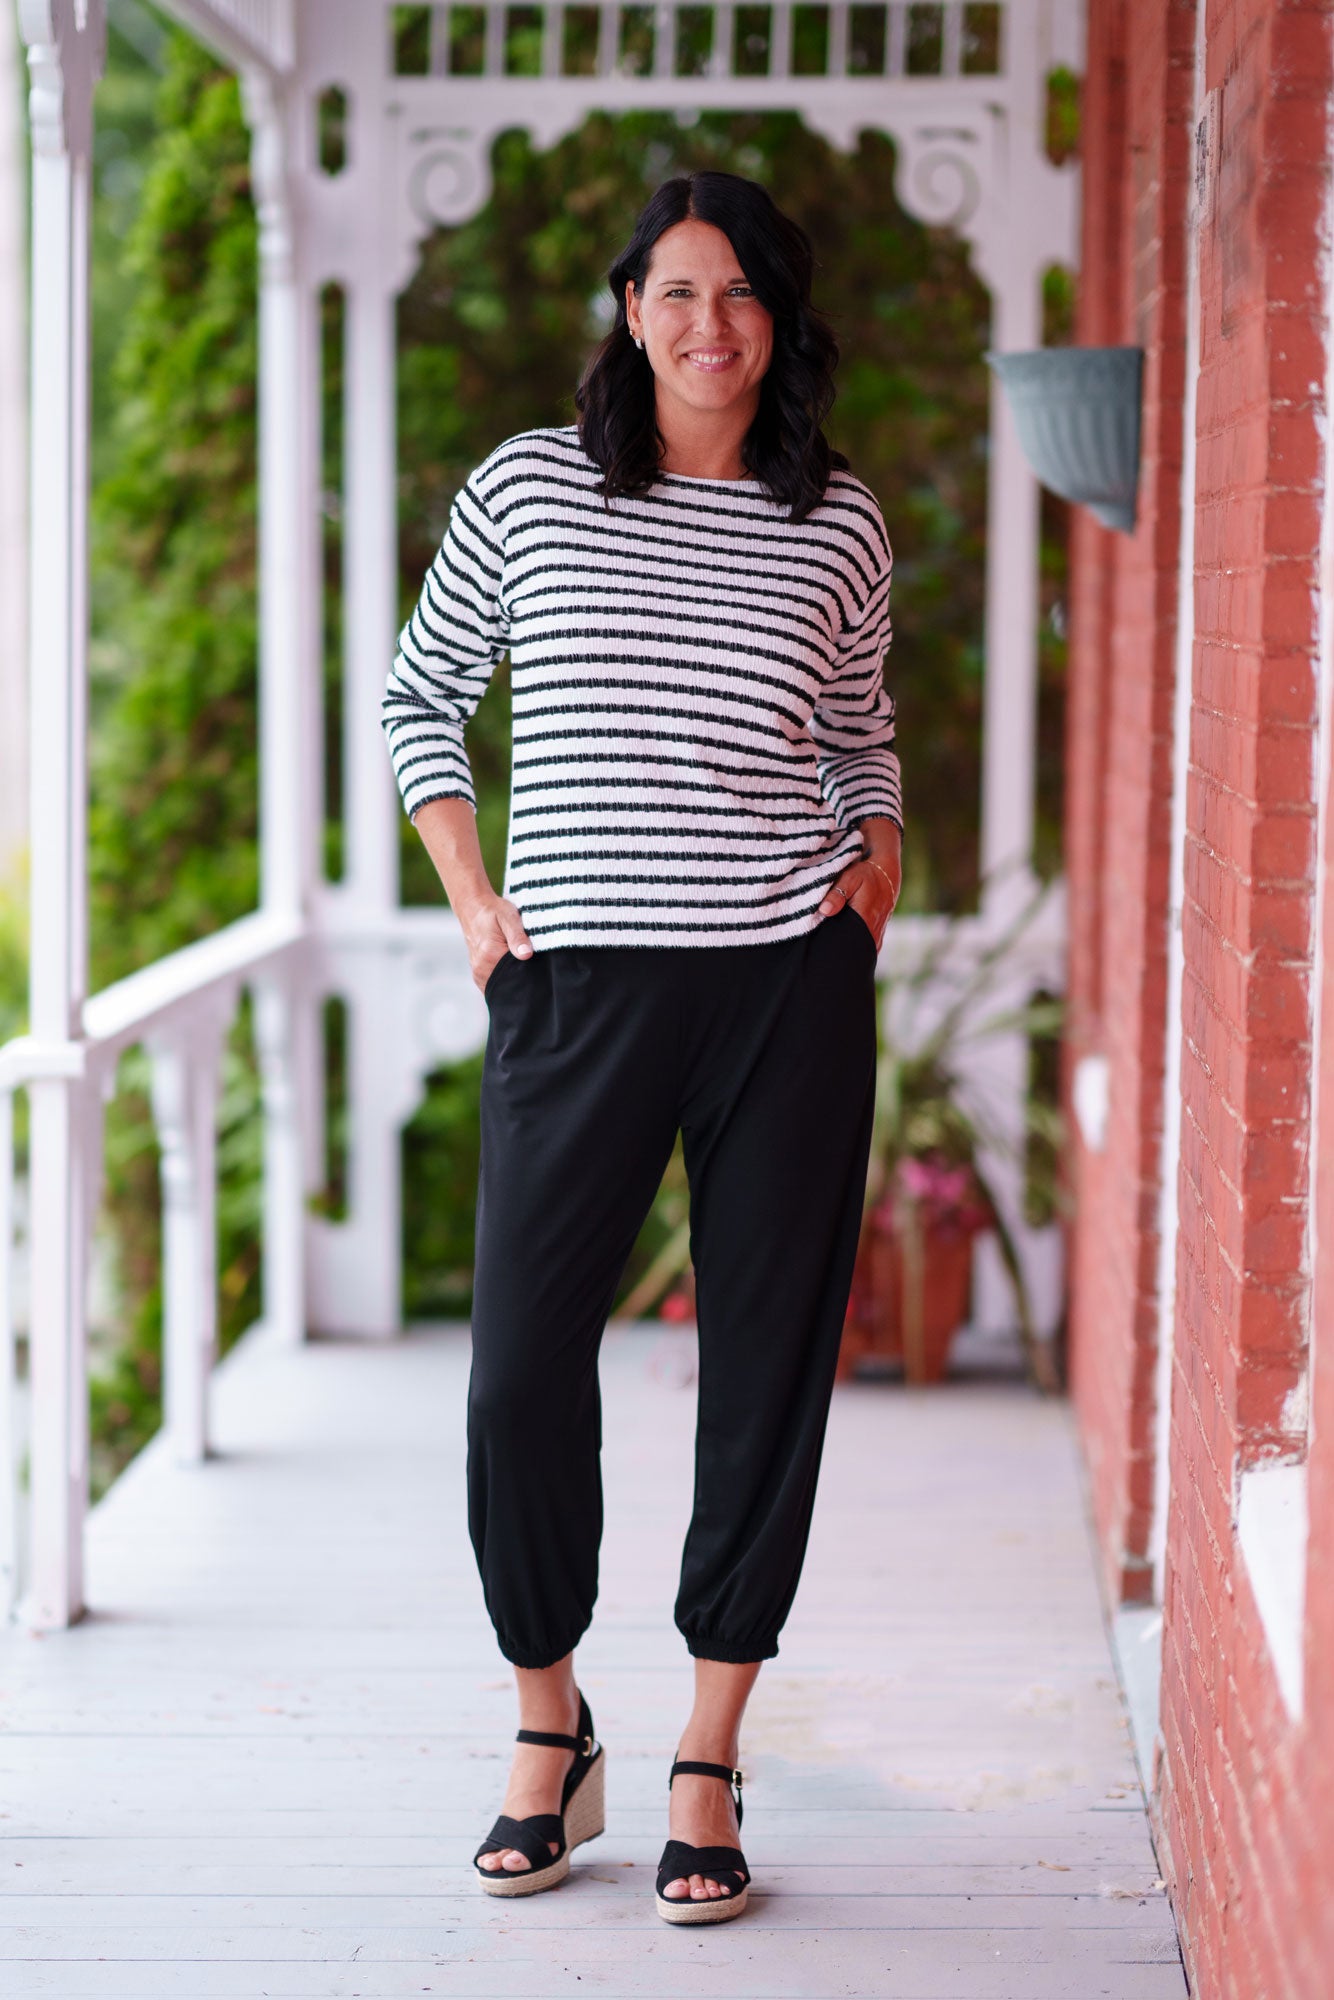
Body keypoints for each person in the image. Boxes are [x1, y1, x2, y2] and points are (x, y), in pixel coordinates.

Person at [381, 169, 902, 1926]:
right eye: (675, 291)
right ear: (627, 309)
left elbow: (855, 728)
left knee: (762, 1372)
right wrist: (471, 898)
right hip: (578, 987)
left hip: (782, 987)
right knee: (521, 1368)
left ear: (781, 317)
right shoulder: (529, 487)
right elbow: (416, 693)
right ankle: (551, 1725)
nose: (708, 325)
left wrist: (872, 862)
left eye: (740, 292)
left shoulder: (833, 518)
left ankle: (706, 1752)